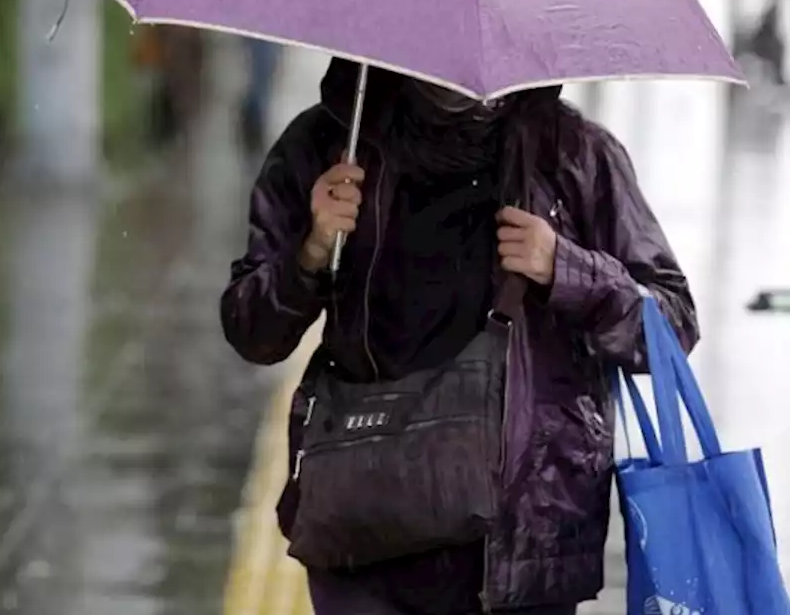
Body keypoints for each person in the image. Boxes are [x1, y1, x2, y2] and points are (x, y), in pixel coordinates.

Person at [220, 59, 697, 615]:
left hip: (519, 540)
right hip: (364, 524)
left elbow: (672, 325)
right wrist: (311, 250)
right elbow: (253, 333)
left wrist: (564, 268)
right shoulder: (328, 142)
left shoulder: (573, 154)